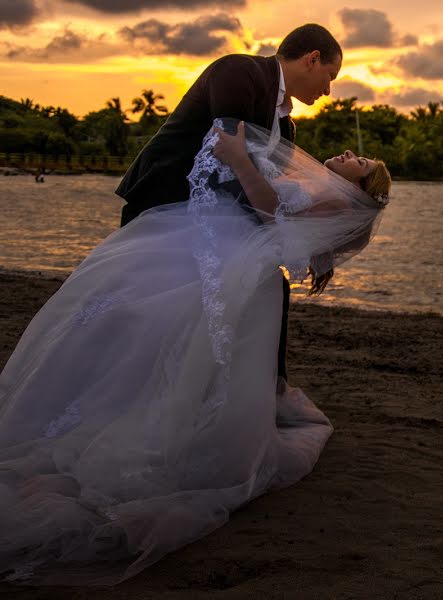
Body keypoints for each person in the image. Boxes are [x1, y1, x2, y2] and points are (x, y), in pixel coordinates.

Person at [0, 119, 391, 585]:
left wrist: (240, 158)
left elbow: (269, 210)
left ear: (360, 187)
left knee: (189, 348)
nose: (350, 152)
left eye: (360, 162)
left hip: (242, 266)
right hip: (242, 262)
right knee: (190, 353)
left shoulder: (330, 198)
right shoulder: (323, 188)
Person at [117, 23, 343, 395]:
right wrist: (278, 231)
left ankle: (262, 389)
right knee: (144, 311)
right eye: (329, 76)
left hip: (212, 221)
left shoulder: (285, 127)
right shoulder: (240, 72)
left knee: (271, 286)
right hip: (162, 205)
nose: (328, 89)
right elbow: (224, 160)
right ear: (312, 59)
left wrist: (311, 237)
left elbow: (273, 189)